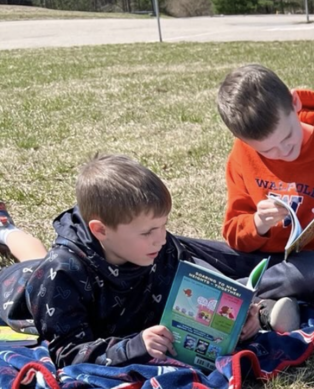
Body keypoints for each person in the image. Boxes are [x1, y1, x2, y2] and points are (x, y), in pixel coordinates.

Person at [0, 154, 297, 368]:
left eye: (164, 225)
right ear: (100, 230)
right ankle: (7, 231)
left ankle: (6, 229)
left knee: (35, 256)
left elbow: (188, 304)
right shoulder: (59, 276)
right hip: (18, 290)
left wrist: (236, 320)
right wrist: (133, 346)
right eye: (148, 232)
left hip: (49, 268)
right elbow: (66, 353)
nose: (162, 238)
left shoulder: (157, 246)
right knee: (35, 261)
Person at [216, 64, 314, 317]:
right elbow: (233, 234)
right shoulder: (241, 154)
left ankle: (226, 298)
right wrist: (257, 223)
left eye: (287, 137)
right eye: (267, 151)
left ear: (295, 104)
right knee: (185, 250)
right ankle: (263, 310)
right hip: (261, 260)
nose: (282, 152)